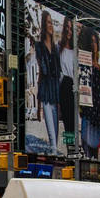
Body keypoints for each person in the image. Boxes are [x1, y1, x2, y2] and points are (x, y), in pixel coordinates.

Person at [36, 10, 61, 156]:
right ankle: (52, 150)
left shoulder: (56, 47)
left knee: (56, 127)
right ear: (44, 25)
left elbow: (58, 71)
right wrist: (38, 105)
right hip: (45, 89)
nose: (51, 25)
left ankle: (54, 149)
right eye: (48, 22)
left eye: (52, 22)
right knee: (51, 127)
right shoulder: (39, 46)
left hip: (55, 89)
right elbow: (41, 71)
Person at [81, 31, 100, 160]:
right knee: (89, 149)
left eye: (95, 42)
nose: (93, 45)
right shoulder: (84, 63)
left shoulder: (98, 66)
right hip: (90, 112)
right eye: (91, 42)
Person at [58, 16, 76, 153]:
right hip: (65, 84)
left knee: (74, 119)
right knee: (67, 119)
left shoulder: (77, 50)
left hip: (75, 87)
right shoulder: (60, 48)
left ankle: (73, 147)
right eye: (67, 28)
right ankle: (70, 148)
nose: (69, 31)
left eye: (71, 28)